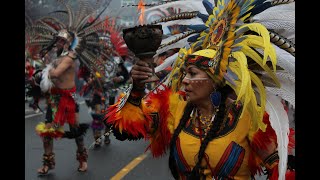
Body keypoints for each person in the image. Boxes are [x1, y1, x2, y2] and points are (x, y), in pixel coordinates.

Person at [104, 0, 295, 179]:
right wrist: (137, 88)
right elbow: (126, 131)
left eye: (193, 74)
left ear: (215, 81)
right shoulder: (173, 106)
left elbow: (280, 170)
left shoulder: (249, 117)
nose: (184, 81)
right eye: (185, 73)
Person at [35, 29, 88, 175]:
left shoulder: (70, 57)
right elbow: (49, 75)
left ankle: (83, 159)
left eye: (62, 41)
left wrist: (44, 73)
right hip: (54, 99)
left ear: (68, 44)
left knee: (76, 132)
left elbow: (56, 73)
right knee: (47, 133)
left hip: (69, 100)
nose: (58, 43)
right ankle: (47, 164)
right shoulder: (55, 57)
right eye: (58, 40)